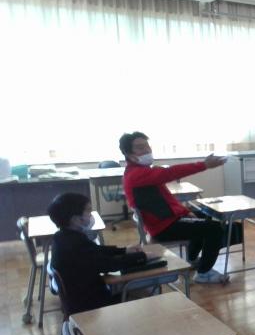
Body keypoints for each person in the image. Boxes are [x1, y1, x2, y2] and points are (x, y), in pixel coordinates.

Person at [119, 131, 229, 284]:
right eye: (140, 147)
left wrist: (186, 212)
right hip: (163, 227)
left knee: (204, 217)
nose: (147, 150)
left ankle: (192, 260)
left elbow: (167, 199)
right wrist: (204, 165)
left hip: (166, 220)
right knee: (214, 228)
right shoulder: (136, 174)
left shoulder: (141, 171)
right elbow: (170, 173)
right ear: (129, 154)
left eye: (147, 145)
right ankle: (204, 273)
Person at [47, 193, 150, 315]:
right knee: (144, 292)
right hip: (93, 308)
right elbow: (110, 265)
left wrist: (124, 250)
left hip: (80, 302)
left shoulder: (61, 237)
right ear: (75, 219)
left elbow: (96, 250)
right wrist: (143, 257)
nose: (91, 215)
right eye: (88, 211)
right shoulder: (75, 245)